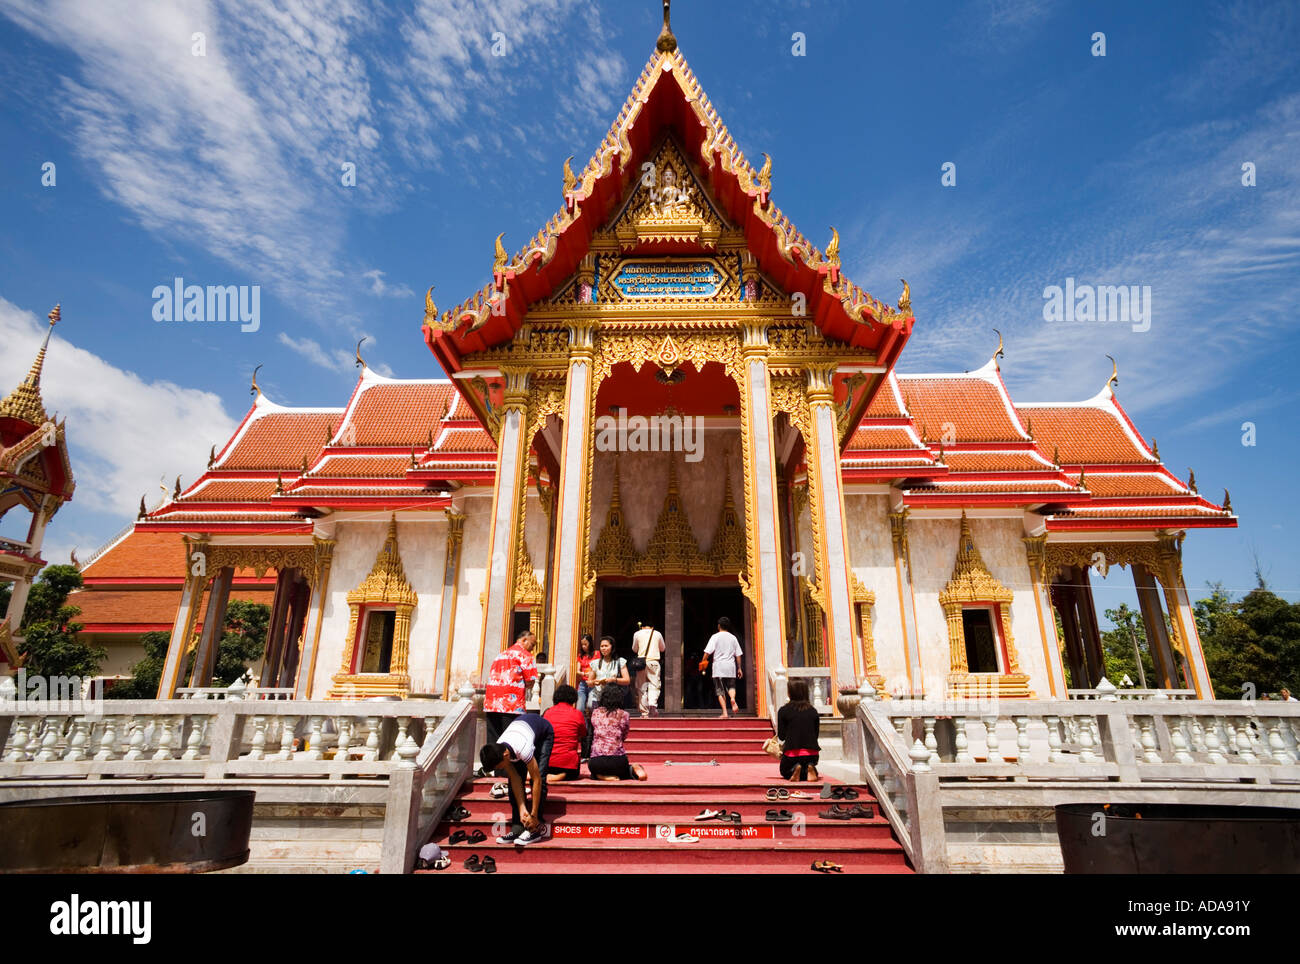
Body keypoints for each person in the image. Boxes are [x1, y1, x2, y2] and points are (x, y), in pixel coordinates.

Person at [479, 711, 554, 845]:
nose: (500, 769)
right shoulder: (499, 748)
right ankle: (518, 826)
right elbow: (515, 779)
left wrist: (533, 814)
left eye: (499, 766)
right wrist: (522, 809)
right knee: (514, 777)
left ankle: (535, 827)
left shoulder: (523, 749)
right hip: (522, 732)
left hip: (544, 733)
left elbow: (536, 780)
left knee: (539, 775)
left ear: (505, 756)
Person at [484, 629, 538, 744]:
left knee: (493, 738)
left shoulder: (501, 654)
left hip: (492, 702)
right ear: (524, 640)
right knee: (510, 740)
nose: (532, 649)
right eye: (532, 645)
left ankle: (492, 762)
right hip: (511, 704)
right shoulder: (525, 655)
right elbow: (530, 681)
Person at [587, 684, 647, 781]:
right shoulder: (624, 715)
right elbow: (624, 735)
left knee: (593, 772)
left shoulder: (595, 713)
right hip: (618, 761)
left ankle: (601, 776)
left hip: (596, 762)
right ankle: (633, 769)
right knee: (624, 770)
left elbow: (593, 731)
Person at [776, 679, 821, 781]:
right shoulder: (813, 711)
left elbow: (781, 736)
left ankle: (794, 769)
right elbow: (816, 735)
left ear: (790, 692)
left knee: (784, 771)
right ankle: (810, 767)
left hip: (792, 754)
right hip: (812, 755)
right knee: (808, 765)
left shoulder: (783, 711)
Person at [542, 684, 586, 783]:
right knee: (573, 770)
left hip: (547, 761)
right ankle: (562, 775)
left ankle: (547, 774)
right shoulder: (577, 714)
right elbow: (583, 734)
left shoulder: (548, 712)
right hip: (568, 763)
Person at [704, 616, 743, 718]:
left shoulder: (715, 637)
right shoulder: (733, 638)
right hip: (730, 667)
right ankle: (732, 698)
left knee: (720, 691)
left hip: (719, 668)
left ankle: (725, 712)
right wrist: (739, 668)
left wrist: (703, 662)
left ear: (719, 626)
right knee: (731, 687)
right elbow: (738, 654)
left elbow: (707, 652)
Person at [632, 620, 665, 717]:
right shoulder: (657, 634)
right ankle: (652, 704)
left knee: (642, 687)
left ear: (642, 626)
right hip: (654, 662)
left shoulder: (637, 633)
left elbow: (634, 649)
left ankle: (644, 712)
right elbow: (663, 648)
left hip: (641, 663)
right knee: (654, 685)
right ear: (652, 627)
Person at [587, 635, 630, 709]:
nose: (603, 648)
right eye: (601, 646)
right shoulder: (595, 663)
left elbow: (627, 680)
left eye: (606, 646)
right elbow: (589, 683)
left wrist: (614, 680)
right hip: (598, 698)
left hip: (614, 698)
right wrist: (595, 682)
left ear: (612, 647)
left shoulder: (620, 662)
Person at [575, 634, 596, 712]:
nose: (583, 646)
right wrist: (582, 673)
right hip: (583, 683)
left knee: (591, 705)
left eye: (585, 644)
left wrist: (591, 674)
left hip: (593, 683)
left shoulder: (596, 654)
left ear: (590, 643)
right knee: (579, 708)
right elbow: (578, 670)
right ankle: (584, 723)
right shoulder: (580, 656)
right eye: (582, 644)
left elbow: (599, 668)